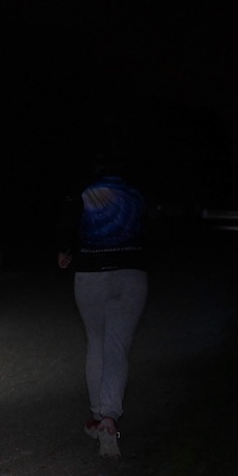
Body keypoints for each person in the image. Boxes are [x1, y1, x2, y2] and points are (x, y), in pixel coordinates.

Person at [55, 158, 148, 458]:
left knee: (96, 341)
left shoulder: (83, 190)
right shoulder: (136, 192)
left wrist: (65, 250)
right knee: (117, 346)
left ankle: (97, 418)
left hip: (91, 274)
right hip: (131, 273)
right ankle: (110, 419)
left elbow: (68, 221)